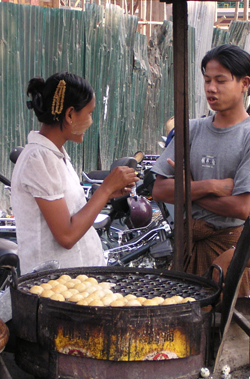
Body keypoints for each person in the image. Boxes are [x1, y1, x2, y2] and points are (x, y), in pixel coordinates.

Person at [11, 72, 138, 275]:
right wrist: (104, 190)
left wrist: (109, 191)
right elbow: (67, 236)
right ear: (70, 115)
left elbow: (74, 215)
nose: (91, 121)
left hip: (77, 283)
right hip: (55, 290)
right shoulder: (39, 159)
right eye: (89, 114)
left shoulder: (55, 154)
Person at [151, 44, 250, 296]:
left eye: (220, 80)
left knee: (224, 328)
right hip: (186, 247)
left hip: (229, 253)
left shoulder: (247, 135)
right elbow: (159, 190)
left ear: (244, 83)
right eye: (207, 80)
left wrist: (185, 188)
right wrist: (210, 187)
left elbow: (241, 208)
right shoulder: (190, 129)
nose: (211, 88)